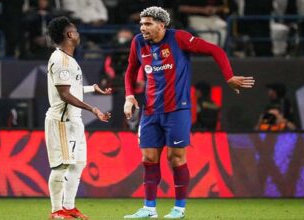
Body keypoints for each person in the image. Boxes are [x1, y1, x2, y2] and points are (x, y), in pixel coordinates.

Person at [123, 7, 254, 219]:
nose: (142, 27)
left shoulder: (179, 38)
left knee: (175, 158)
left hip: (177, 109)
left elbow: (216, 50)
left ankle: (179, 208)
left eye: (147, 23)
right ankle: (149, 209)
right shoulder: (138, 42)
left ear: (161, 25)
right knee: (148, 157)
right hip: (150, 110)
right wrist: (129, 96)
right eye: (141, 23)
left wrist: (228, 76)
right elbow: (130, 70)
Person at [45, 16, 112, 219]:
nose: (78, 34)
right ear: (69, 34)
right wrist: (93, 109)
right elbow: (64, 94)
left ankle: (68, 207)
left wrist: (92, 88)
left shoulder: (69, 60)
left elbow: (70, 89)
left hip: (74, 120)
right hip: (62, 121)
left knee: (78, 164)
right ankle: (56, 210)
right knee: (61, 166)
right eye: (75, 30)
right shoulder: (60, 60)